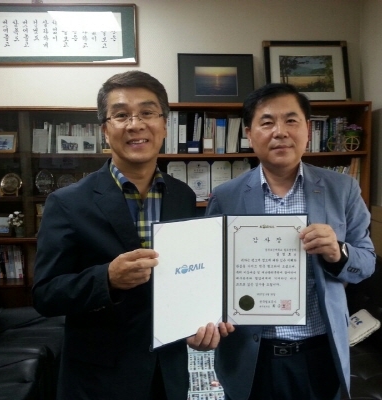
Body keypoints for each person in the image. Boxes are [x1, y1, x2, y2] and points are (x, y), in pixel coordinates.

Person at [33, 70, 232, 400]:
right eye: (121, 115)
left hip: (167, 374)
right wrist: (107, 279)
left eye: (147, 112)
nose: (135, 124)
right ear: (105, 130)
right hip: (99, 379)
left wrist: (199, 324)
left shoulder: (182, 196)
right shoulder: (68, 203)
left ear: (164, 125)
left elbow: (187, 279)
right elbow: (45, 294)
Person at [206, 83, 376, 400]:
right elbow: (210, 272)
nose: (280, 132)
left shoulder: (343, 189)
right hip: (251, 355)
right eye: (267, 122)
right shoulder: (226, 196)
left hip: (319, 353)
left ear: (308, 130)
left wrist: (338, 253)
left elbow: (366, 263)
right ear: (249, 133)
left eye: (291, 120)